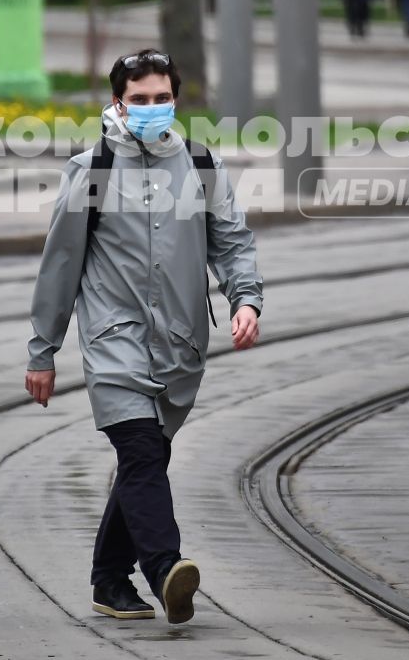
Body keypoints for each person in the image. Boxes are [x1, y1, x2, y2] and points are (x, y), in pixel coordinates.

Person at [24, 49, 264, 625]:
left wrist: (246, 300)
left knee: (146, 461)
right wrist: (44, 351)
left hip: (180, 345)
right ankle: (165, 569)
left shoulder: (202, 167)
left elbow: (232, 243)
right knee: (139, 451)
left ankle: (110, 580)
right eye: (140, 100)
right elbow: (60, 265)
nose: (152, 109)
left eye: (162, 99)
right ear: (117, 103)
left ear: (175, 101)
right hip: (114, 339)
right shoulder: (93, 170)